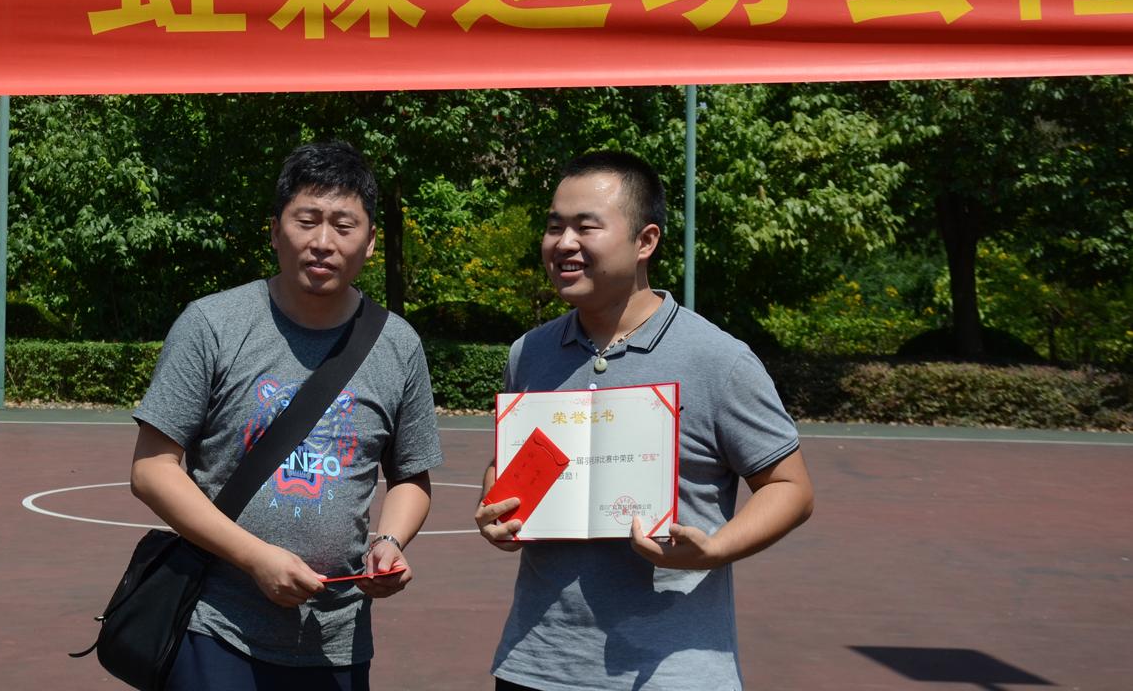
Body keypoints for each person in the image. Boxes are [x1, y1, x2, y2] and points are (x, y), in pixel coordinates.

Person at [475, 150, 814, 691]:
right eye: (554, 226)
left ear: (645, 241)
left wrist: (715, 549)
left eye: (586, 226)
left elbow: (790, 487)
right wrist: (497, 507)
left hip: (668, 671)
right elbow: (507, 467)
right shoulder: (529, 353)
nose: (563, 243)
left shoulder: (718, 359)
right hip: (536, 665)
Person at [130, 140, 444, 691]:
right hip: (215, 625)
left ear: (371, 241)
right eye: (306, 220)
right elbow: (152, 469)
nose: (323, 241)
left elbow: (410, 477)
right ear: (275, 231)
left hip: (337, 639)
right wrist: (254, 558)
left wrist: (390, 543)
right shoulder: (212, 324)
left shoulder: (398, 344)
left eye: (343, 225)